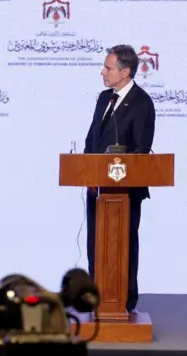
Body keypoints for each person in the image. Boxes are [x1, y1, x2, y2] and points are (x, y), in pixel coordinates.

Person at [83, 44, 155, 313]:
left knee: (123, 244)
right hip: (97, 188)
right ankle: (96, 298)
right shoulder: (104, 98)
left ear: (125, 72)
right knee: (96, 243)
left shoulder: (142, 102)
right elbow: (92, 137)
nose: (102, 72)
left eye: (108, 68)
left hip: (124, 191)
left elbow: (140, 149)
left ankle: (124, 300)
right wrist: (88, 170)